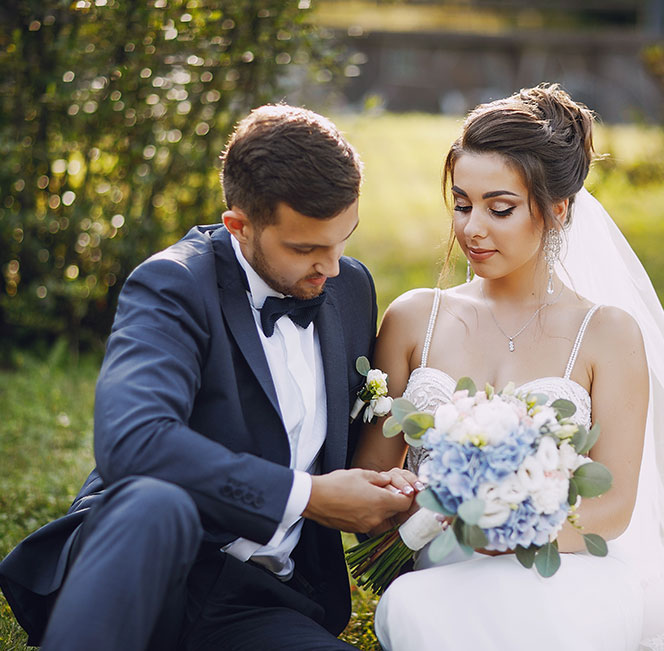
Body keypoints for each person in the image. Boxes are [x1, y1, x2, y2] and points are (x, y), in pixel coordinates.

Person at [353, 84, 664, 650]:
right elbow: (373, 472)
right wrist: (422, 501)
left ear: (558, 210)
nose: (472, 229)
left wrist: (508, 528)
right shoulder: (415, 317)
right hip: (440, 568)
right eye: (462, 204)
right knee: (424, 613)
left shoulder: (606, 334)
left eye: (500, 208)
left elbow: (612, 505)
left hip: (564, 568)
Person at [0, 104, 418, 650]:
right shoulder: (173, 285)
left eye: (343, 240)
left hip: (257, 602)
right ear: (239, 226)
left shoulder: (350, 289)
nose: (331, 267)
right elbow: (132, 443)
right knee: (158, 501)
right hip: (145, 568)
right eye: (305, 248)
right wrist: (306, 496)